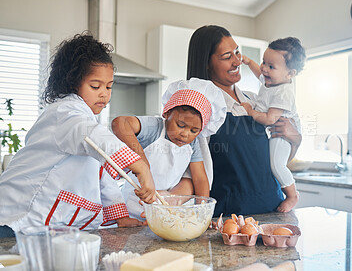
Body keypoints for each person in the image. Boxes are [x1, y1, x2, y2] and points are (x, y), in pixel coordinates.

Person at [0, 33, 156, 237]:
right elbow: (94, 137)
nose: (104, 93)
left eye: (109, 87)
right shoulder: (64, 113)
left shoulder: (86, 121)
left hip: (42, 224)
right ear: (73, 83)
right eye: (95, 86)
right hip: (17, 218)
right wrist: (141, 167)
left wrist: (120, 216)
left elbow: (101, 174)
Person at [185, 25, 302, 216]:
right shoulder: (200, 110)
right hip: (230, 219)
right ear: (206, 63)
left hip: (275, 213)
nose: (237, 61)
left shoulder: (256, 101)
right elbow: (192, 172)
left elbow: (275, 161)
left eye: (237, 52)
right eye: (227, 57)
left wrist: (296, 139)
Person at [112, 78, 226, 220]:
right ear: (166, 113)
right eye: (180, 125)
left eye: (194, 130)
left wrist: (203, 213)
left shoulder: (193, 144)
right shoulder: (154, 128)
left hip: (164, 209)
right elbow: (120, 123)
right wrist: (142, 164)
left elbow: (200, 178)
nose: (185, 134)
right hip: (133, 209)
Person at [240, 37, 306, 212]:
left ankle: (292, 195)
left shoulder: (283, 92)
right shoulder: (272, 81)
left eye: (271, 66)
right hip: (276, 129)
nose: (264, 69)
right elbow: (259, 73)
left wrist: (250, 111)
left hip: (281, 131)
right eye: (264, 62)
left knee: (276, 165)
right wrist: (248, 62)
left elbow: (270, 119)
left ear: (290, 74)